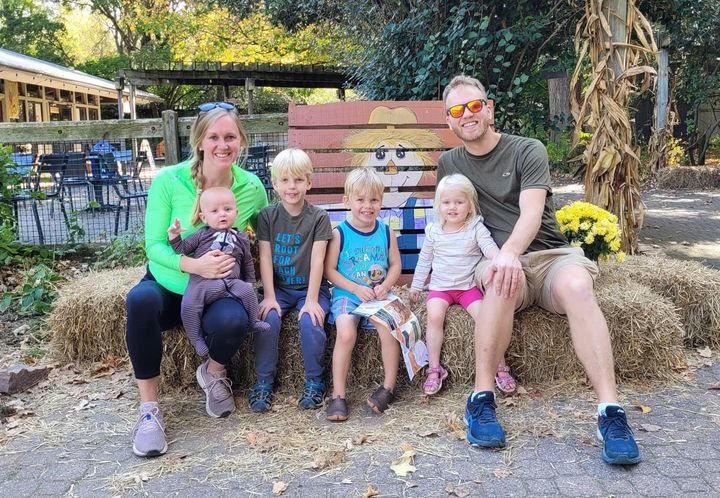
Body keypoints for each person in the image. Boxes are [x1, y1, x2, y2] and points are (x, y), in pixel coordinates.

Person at [438, 75, 640, 465]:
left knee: (580, 287)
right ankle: (481, 399)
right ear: (449, 120)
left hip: (548, 256)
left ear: (490, 108)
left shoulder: (527, 149)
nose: (468, 115)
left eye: (475, 105)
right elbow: (449, 222)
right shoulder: (449, 162)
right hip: (496, 260)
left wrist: (512, 252)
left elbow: (532, 212)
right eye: (458, 110)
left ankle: (610, 413)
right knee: (497, 282)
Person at [124, 102, 268, 457]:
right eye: (214, 137)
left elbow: (264, 241)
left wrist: (270, 287)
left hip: (218, 291)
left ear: (241, 141)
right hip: (170, 285)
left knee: (237, 317)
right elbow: (154, 244)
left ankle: (213, 371)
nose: (223, 145)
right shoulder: (169, 180)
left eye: (230, 137)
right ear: (200, 141)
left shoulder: (251, 188)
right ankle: (149, 411)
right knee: (139, 301)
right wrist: (193, 265)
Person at [409, 174, 517, 396]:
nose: (452, 207)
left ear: (470, 205)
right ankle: (434, 369)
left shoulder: (475, 227)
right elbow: (425, 260)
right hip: (440, 288)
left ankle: (499, 366)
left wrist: (499, 259)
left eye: (459, 202)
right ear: (439, 205)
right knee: (434, 316)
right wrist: (416, 286)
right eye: (447, 202)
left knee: (486, 317)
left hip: (468, 288)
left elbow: (489, 246)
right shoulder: (434, 231)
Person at [251, 148, 333, 412]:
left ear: (309, 182)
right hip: (280, 289)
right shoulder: (267, 216)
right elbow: (264, 257)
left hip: (311, 288)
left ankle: (314, 381)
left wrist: (311, 300)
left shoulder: (319, 218)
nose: (291, 186)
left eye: (298, 180)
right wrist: (270, 296)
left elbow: (318, 261)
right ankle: (263, 382)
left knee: (311, 321)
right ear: (274, 184)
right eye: (285, 180)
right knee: (268, 320)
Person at [324, 167, 403, 422]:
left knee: (388, 328)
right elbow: (329, 270)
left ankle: (388, 387)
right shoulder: (340, 234)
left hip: (377, 296)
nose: (367, 206)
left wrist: (386, 285)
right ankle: (338, 395)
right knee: (346, 331)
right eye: (360, 199)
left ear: (381, 201)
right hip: (348, 293)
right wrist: (356, 288)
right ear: (347, 201)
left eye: (374, 200)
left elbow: (395, 266)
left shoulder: (385, 232)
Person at [167, 186, 270, 358]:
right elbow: (181, 249)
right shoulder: (201, 235)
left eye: (227, 209)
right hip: (202, 284)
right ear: (204, 217)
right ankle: (197, 339)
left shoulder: (241, 237)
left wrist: (249, 282)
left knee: (248, 293)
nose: (222, 214)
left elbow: (247, 262)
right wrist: (174, 235)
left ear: (236, 212)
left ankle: (254, 321)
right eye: (215, 211)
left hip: (230, 283)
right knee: (189, 306)